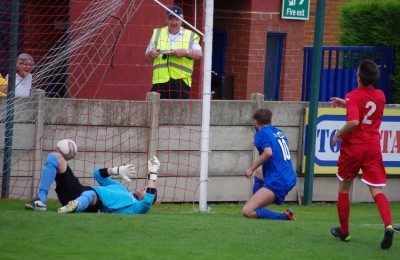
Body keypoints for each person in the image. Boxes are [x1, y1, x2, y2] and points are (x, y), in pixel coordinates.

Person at [330, 60, 394, 249]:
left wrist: (337, 134)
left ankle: (344, 232)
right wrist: (346, 104)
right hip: (373, 147)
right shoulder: (381, 96)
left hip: (354, 148)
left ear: (358, 76)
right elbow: (367, 109)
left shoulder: (353, 96)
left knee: (344, 186)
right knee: (376, 190)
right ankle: (389, 226)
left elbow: (355, 121)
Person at [25, 139, 160, 214]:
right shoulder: (121, 188)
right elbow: (97, 175)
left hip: (93, 202)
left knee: (91, 194)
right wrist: (116, 170)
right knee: (55, 156)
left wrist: (153, 174)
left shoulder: (136, 206)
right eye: (145, 186)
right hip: (76, 190)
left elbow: (147, 202)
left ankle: (74, 207)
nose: (144, 188)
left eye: (147, 190)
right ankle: (40, 201)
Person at [242, 108, 297, 221]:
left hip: (278, 180)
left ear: (255, 121)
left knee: (247, 211)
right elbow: (275, 147)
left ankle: (284, 216)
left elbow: (268, 152)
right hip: (289, 176)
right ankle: (257, 204)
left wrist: (251, 169)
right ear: (270, 121)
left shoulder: (261, 134)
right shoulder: (278, 132)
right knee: (259, 173)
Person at [144, 5, 203, 99]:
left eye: (177, 19)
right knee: (156, 112)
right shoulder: (157, 33)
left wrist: (185, 52)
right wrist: (151, 54)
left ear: (182, 19)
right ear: (166, 19)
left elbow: (199, 55)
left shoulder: (190, 35)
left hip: (181, 83)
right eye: (171, 19)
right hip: (159, 82)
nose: (174, 22)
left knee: (178, 113)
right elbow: (147, 59)